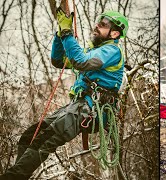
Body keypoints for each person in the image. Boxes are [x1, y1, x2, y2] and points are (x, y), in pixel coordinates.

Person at [0, 8, 128, 180]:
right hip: (78, 107)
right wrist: (60, 35)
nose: (97, 25)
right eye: (98, 21)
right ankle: (19, 175)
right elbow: (58, 61)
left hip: (93, 110)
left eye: (103, 24)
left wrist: (68, 32)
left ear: (114, 33)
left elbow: (80, 62)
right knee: (30, 136)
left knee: (44, 140)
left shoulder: (112, 52)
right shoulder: (91, 52)